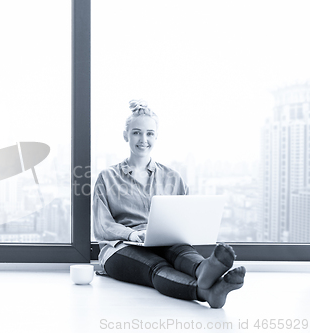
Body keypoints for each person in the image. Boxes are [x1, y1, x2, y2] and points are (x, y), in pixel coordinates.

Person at [93, 99, 245, 308]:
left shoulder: (173, 178)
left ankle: (204, 269)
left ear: (156, 137)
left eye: (149, 134)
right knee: (157, 267)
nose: (143, 139)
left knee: (183, 252)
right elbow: (102, 226)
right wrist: (132, 234)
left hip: (164, 242)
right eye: (136, 132)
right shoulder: (107, 177)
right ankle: (205, 292)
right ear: (125, 135)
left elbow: (185, 218)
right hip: (119, 248)